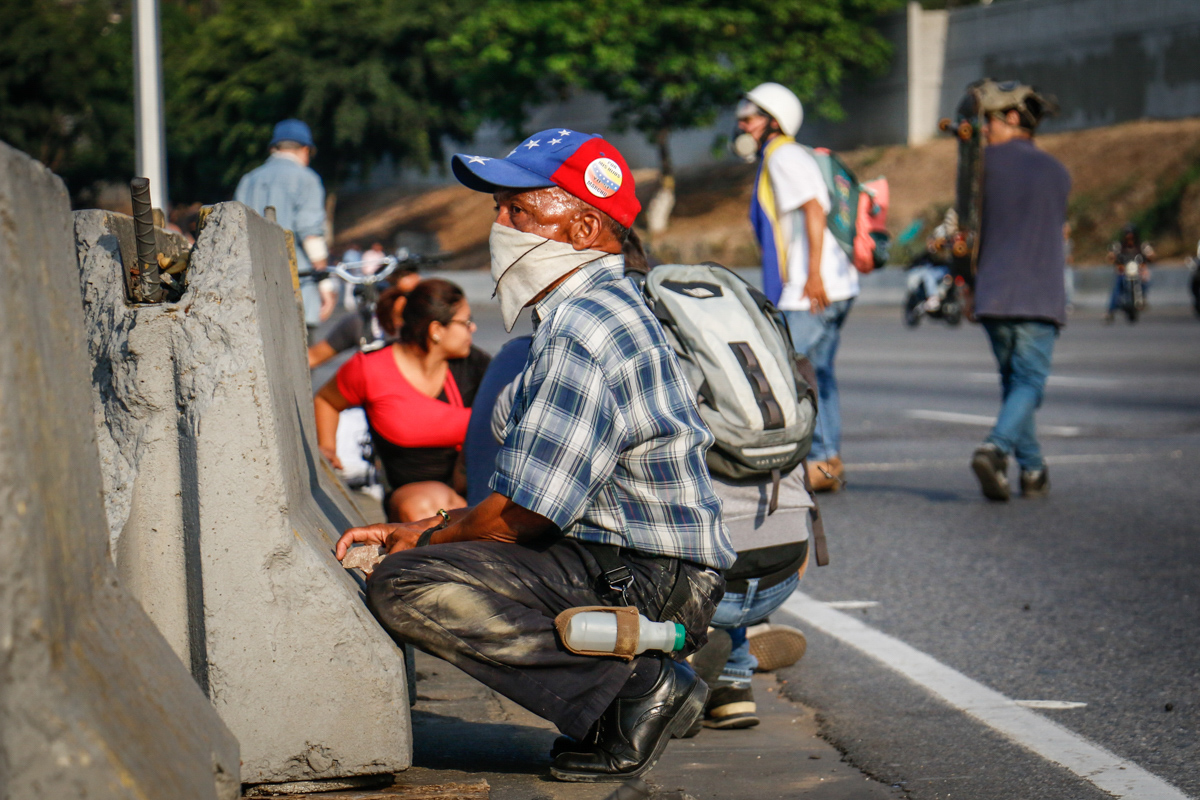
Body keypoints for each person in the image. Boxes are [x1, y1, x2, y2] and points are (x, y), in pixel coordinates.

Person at [335, 130, 733, 783]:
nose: (498, 225)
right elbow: (530, 500)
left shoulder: (586, 325)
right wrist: (427, 530)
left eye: (517, 211)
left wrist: (419, 541)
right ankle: (628, 690)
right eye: (499, 208)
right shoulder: (583, 311)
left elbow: (523, 517)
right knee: (430, 556)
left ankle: (639, 685)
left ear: (580, 226)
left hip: (643, 577)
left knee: (407, 582)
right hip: (630, 564)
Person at [739, 82, 858, 492]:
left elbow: (814, 208)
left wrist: (812, 277)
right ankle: (828, 464)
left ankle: (821, 464)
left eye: (751, 116)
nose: (743, 123)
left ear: (774, 121)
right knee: (818, 374)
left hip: (813, 288)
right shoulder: (783, 155)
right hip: (832, 285)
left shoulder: (783, 156)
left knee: (797, 376)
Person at [315, 279, 490, 522]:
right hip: (411, 499)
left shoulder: (477, 366)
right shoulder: (371, 369)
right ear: (436, 330)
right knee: (433, 508)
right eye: (466, 322)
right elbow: (326, 400)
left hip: (472, 490)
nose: (473, 329)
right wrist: (327, 448)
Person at [968, 86, 1069, 502]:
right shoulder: (1059, 172)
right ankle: (994, 449)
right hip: (1039, 295)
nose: (984, 129)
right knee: (1028, 382)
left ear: (1011, 118)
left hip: (993, 293)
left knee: (1016, 383)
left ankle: (1032, 470)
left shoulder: (981, 166)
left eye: (989, 121)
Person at [234, 119, 329, 341]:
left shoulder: (248, 180)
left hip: (255, 290)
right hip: (297, 287)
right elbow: (310, 234)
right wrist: (326, 284)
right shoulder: (307, 179)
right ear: (305, 150)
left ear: (273, 148)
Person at [307, 267, 422, 368]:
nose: (420, 302)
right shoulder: (363, 322)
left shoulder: (429, 325)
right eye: (411, 295)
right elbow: (313, 357)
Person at [1105, 223, 1154, 323]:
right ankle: (1110, 311)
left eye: (1131, 234)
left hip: (1138, 273)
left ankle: (1143, 298)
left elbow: (1151, 255)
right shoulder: (1119, 246)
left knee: (1146, 281)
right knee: (1116, 289)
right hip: (1124, 273)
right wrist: (1113, 258)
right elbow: (1110, 257)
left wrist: (1149, 258)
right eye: (1127, 234)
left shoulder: (1142, 246)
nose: (1129, 237)